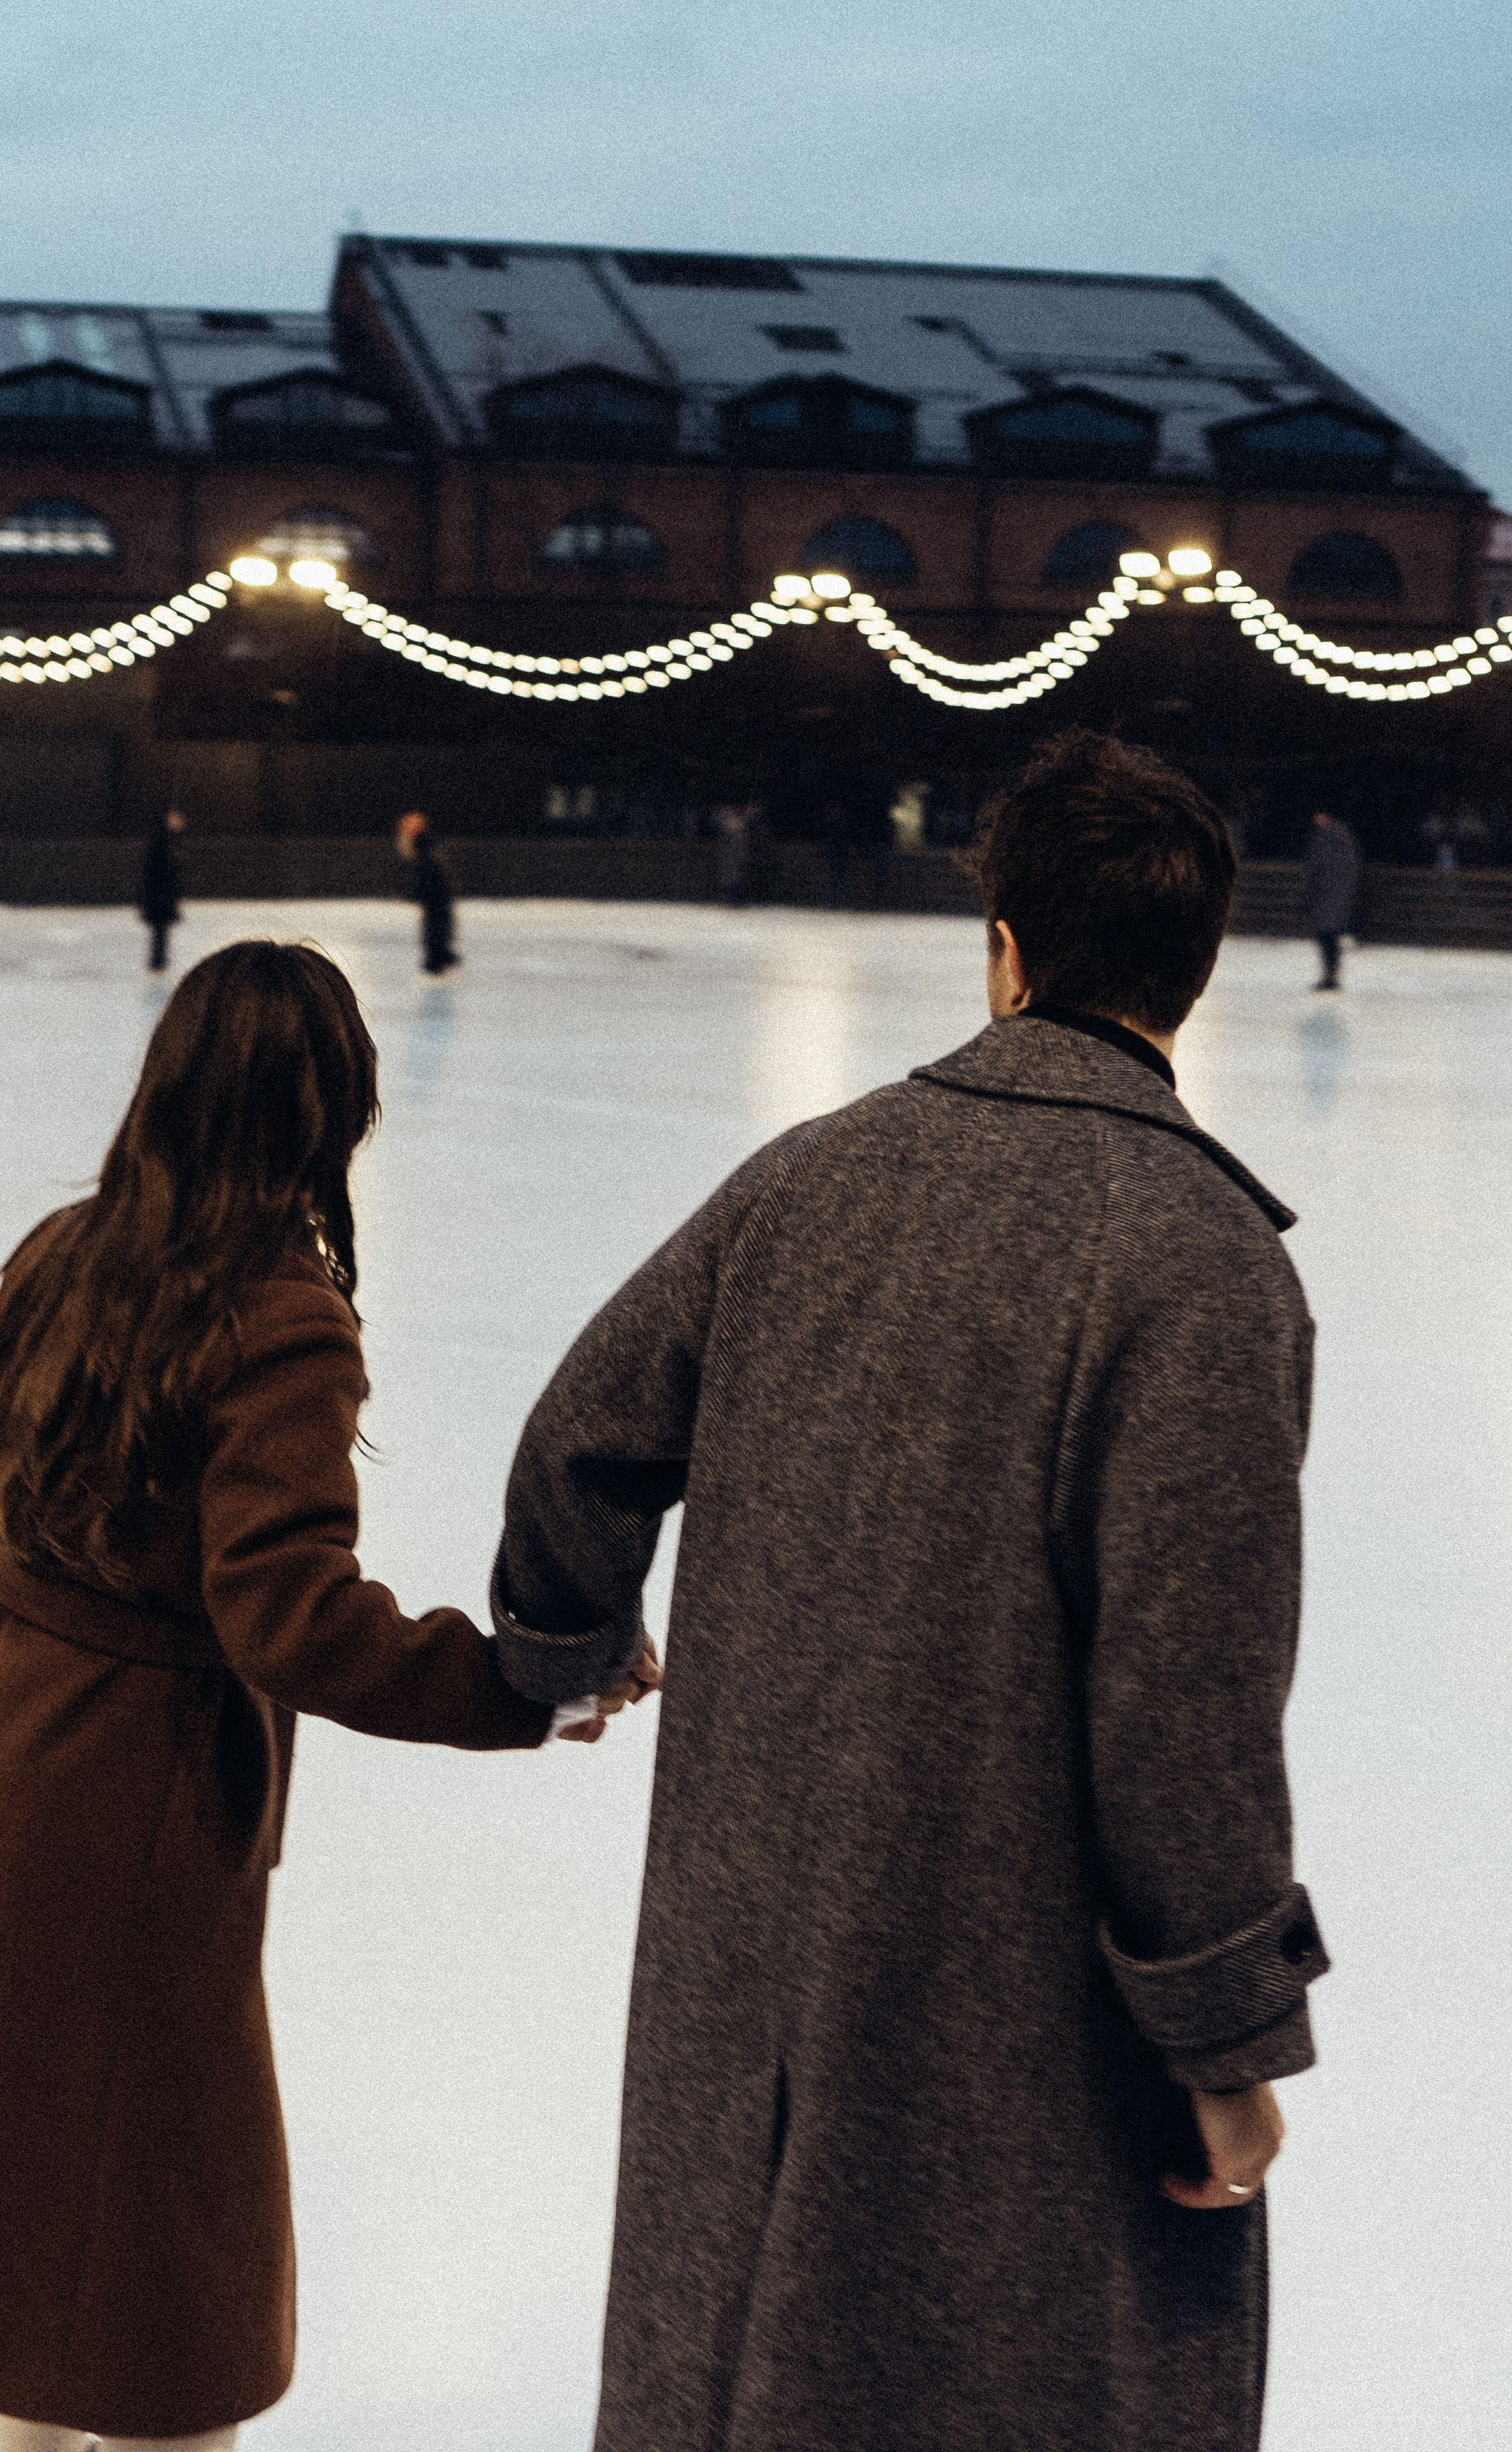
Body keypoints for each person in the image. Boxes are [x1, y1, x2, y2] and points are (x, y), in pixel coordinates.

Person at [490, 729, 1329, 2452]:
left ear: (1005, 949)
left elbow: (580, 1436)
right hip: (1009, 2025)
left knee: (744, 2350)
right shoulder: (1200, 1262)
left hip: (754, 1971)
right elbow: (1183, 1716)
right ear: (1199, 963)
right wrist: (1224, 2044)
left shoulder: (806, 1179)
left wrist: (567, 1646)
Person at [0, 942, 654, 2452]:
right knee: (169, 2272)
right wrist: (523, 1691)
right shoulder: (281, 1313)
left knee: (36, 2218)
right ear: (332, 1118)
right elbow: (289, 1614)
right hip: (124, 1813)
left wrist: (34, 1601)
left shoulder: (69, 1250)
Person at [396, 808, 459, 974]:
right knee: (438, 923)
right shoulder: (426, 849)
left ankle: (437, 959)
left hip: (436, 894)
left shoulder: (422, 850)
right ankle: (442, 956)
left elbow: (425, 873)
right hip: (437, 895)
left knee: (435, 925)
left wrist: (416, 892)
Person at [1304, 806, 1362, 989]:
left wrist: (1312, 891)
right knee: (1331, 936)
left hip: (1326, 894)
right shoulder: (1345, 838)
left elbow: (1316, 867)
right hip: (1337, 894)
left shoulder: (1325, 838)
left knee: (1327, 936)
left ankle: (1330, 975)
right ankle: (1331, 974)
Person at [140, 806, 185, 972]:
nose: (181, 822)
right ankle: (157, 962)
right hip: (160, 895)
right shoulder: (163, 843)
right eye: (176, 819)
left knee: (161, 930)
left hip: (162, 895)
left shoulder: (167, 842)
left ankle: (159, 961)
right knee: (160, 929)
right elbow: (160, 871)